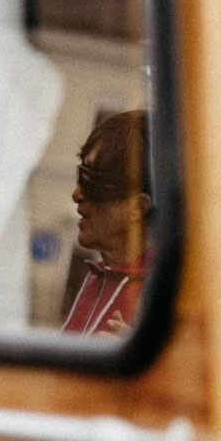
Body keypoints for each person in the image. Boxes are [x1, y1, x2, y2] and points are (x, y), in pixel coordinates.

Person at [60, 109, 153, 337]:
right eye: (80, 174)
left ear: (137, 208)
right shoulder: (96, 279)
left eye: (92, 181)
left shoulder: (165, 296)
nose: (77, 194)